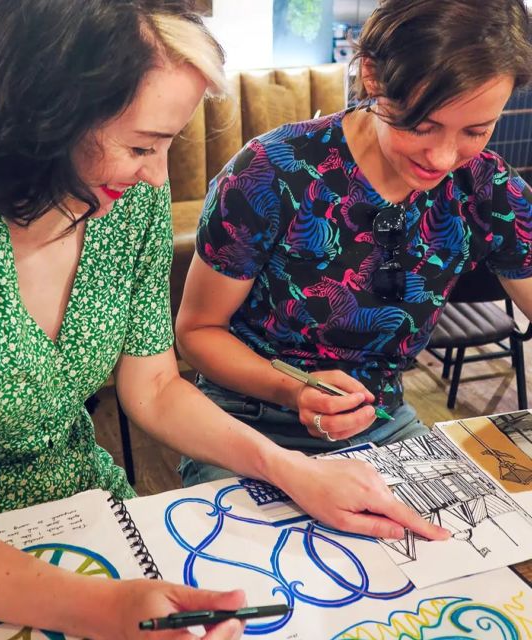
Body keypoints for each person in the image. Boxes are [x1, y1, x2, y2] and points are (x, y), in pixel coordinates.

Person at [0, 0, 449, 637]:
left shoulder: (127, 210)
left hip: (84, 509)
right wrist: (98, 609)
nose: (158, 176)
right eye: (140, 146)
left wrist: (290, 468)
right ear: (45, 115)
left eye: (167, 146)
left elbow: (153, 386)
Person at [175, 0, 532, 487]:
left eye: (476, 130)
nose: (444, 157)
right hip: (246, 421)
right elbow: (197, 331)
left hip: (379, 424)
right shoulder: (272, 171)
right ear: (372, 76)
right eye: (420, 124)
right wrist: (294, 391)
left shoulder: (486, 189)